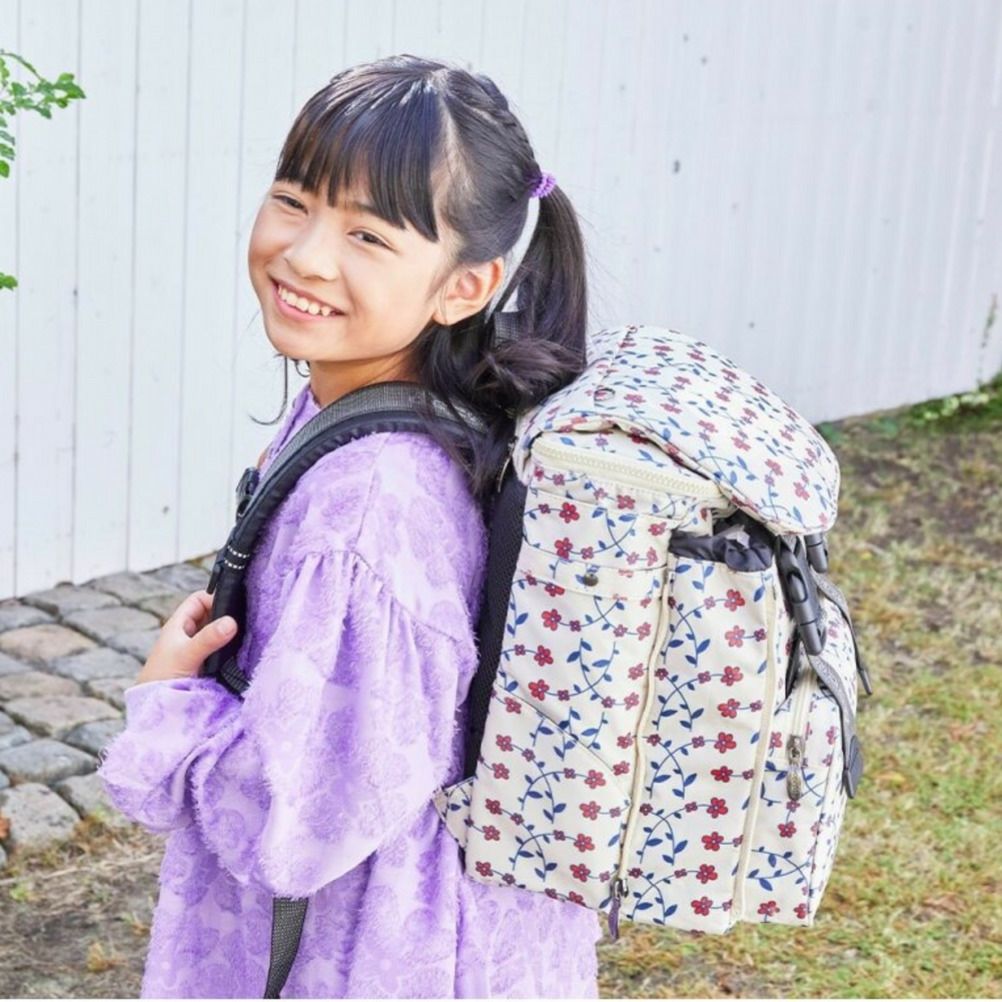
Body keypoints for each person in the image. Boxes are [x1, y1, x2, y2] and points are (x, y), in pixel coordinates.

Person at [97, 53, 601, 998]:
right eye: (294, 200)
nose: (306, 255)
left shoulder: (370, 508)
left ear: (465, 286)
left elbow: (291, 821)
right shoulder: (416, 400)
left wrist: (171, 704)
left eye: (368, 234)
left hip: (373, 955)